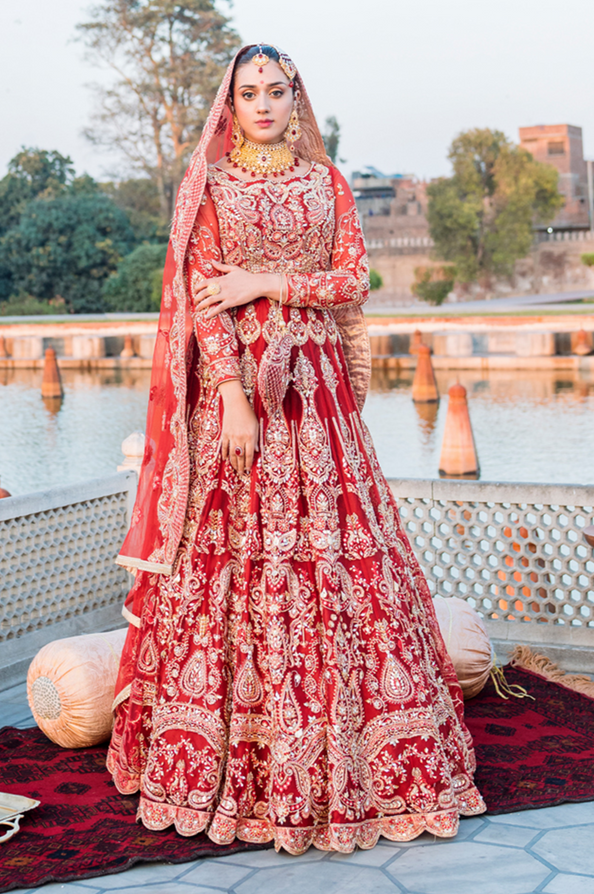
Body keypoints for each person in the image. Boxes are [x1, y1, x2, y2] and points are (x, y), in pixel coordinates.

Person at [107, 43, 485, 854]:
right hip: (241, 395)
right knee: (236, 559)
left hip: (317, 392)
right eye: (250, 94)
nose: (266, 105)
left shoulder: (328, 182)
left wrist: (267, 283)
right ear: (231, 106)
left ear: (295, 99)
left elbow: (352, 279)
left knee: (347, 558)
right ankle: (240, 760)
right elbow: (206, 297)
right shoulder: (211, 186)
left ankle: (361, 760)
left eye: (278, 91)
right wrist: (236, 396)